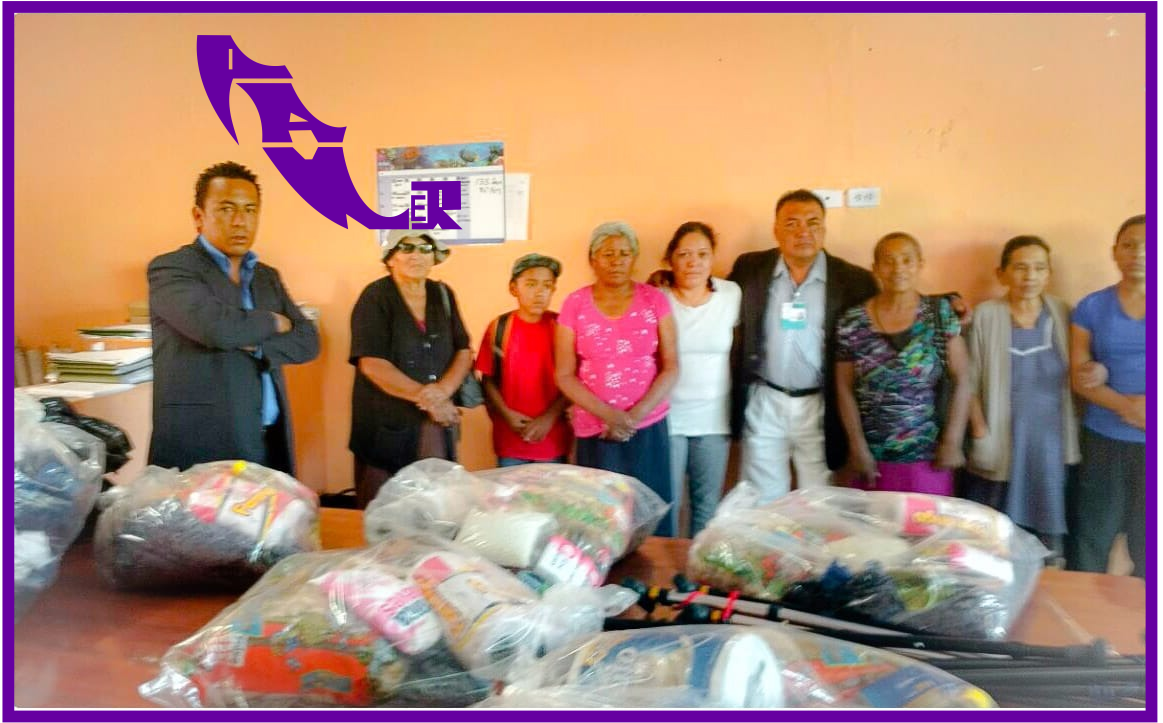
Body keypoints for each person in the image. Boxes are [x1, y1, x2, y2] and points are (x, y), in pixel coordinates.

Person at [148, 161, 319, 474]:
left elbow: (308, 341)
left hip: (268, 439)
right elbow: (217, 328)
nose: (240, 221)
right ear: (198, 216)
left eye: (250, 210)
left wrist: (259, 346)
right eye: (226, 209)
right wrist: (274, 322)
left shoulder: (267, 276)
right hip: (202, 445)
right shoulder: (172, 269)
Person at [728, 189, 878, 502]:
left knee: (819, 498)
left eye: (812, 223)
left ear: (824, 229)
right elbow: (712, 291)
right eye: (792, 223)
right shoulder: (751, 268)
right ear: (776, 230)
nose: (803, 232)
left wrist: (945, 302)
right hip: (765, 399)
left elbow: (891, 306)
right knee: (760, 499)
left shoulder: (853, 280)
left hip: (821, 404)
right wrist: (664, 279)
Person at [555, 221, 681, 536]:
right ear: (593, 259)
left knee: (651, 512)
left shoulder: (654, 299)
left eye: (624, 253)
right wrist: (611, 416)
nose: (616, 260)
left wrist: (632, 418)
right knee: (600, 518)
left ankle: (653, 567)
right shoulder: (574, 304)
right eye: (607, 253)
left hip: (647, 424)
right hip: (596, 428)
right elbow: (564, 375)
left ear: (634, 258)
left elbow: (672, 366)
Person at [962, 236, 1079, 558]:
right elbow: (967, 380)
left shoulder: (1063, 313)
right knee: (995, 536)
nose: (1030, 276)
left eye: (1039, 268)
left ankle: (1049, 577)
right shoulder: (986, 315)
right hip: (1001, 436)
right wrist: (980, 431)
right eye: (1020, 268)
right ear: (1001, 274)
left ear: (1049, 273)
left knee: (1049, 528)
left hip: (1052, 440)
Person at [834, 233, 971, 494]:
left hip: (929, 456)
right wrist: (857, 446)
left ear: (920, 264)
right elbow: (844, 388)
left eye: (907, 260)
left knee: (926, 520)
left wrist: (952, 441)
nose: (898, 268)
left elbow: (963, 378)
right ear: (875, 268)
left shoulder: (940, 314)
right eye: (888, 261)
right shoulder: (852, 322)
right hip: (870, 460)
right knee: (873, 521)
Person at [348, 229, 473, 508]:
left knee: (435, 504)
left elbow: (464, 350)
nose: (416, 255)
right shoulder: (375, 297)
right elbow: (372, 364)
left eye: (424, 249)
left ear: (434, 258)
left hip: (434, 421)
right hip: (384, 423)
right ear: (391, 259)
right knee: (383, 508)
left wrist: (443, 392)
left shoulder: (443, 294)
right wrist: (429, 399)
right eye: (406, 248)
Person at [1067, 214, 1147, 577]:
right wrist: (1130, 407)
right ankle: (1084, 610)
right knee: (1092, 535)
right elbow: (1080, 376)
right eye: (1129, 245)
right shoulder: (1092, 307)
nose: (1139, 253)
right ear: (1115, 252)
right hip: (1104, 438)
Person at [650, 222, 741, 536]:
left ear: (713, 257)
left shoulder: (731, 294)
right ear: (671, 259)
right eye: (684, 254)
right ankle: (665, 566)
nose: (693, 262)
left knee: (707, 507)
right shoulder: (657, 298)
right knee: (667, 503)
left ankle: (699, 567)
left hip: (715, 420)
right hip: (668, 418)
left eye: (702, 254)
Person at [476, 253, 571, 467]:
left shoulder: (561, 327)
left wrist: (548, 418)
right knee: (509, 488)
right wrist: (507, 414)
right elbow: (488, 379)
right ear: (513, 288)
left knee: (552, 489)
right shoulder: (499, 328)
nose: (540, 292)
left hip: (552, 439)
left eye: (547, 285)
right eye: (531, 284)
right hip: (509, 439)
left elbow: (572, 380)